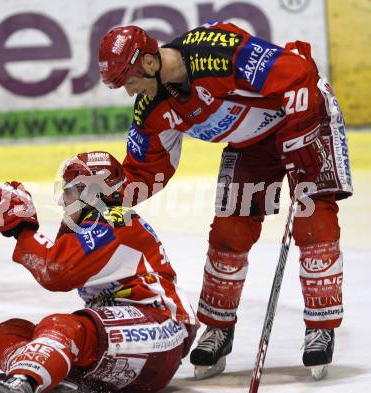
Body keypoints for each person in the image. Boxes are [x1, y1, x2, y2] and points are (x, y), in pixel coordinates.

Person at [98, 23, 353, 379]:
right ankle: (218, 328)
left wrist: (299, 136)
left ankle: (320, 326)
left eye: (129, 81)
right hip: (252, 143)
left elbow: (298, 74)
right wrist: (104, 201)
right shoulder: (151, 110)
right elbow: (146, 172)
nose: (130, 93)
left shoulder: (217, 51)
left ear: (150, 64)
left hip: (305, 117)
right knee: (228, 233)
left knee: (314, 221)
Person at [0, 151, 198, 393]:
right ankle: (47, 378)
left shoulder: (116, 220)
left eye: (68, 191)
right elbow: (59, 260)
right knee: (9, 332)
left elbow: (55, 271)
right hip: (130, 339)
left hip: (163, 329)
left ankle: (23, 385)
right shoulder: (99, 222)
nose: (62, 201)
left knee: (61, 326)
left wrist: (22, 227)